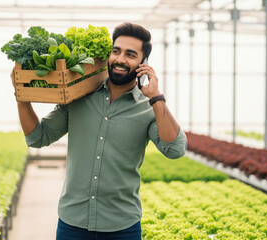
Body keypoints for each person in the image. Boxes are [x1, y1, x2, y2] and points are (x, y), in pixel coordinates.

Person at [11, 22, 187, 240]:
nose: (120, 59)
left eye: (131, 55)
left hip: (122, 228)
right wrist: (22, 96)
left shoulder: (148, 109)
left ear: (143, 63)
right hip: (72, 224)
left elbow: (175, 149)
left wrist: (156, 98)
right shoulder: (79, 95)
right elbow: (39, 137)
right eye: (116, 51)